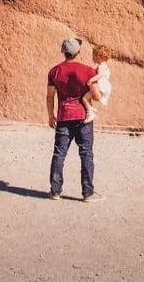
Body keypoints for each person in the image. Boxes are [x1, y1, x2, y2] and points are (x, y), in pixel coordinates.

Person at [46, 36, 104, 202]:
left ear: (63, 52)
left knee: (59, 153)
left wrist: (50, 116)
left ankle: (55, 191)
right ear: (78, 51)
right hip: (83, 117)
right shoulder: (88, 71)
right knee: (86, 154)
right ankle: (88, 193)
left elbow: (50, 97)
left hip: (64, 116)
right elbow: (95, 94)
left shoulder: (54, 71)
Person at [81, 45, 114, 122]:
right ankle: (90, 109)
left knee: (84, 98)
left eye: (93, 56)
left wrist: (91, 80)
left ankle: (90, 112)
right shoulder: (101, 65)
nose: (92, 58)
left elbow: (99, 75)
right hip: (103, 86)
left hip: (101, 86)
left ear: (98, 57)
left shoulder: (102, 66)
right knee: (87, 97)